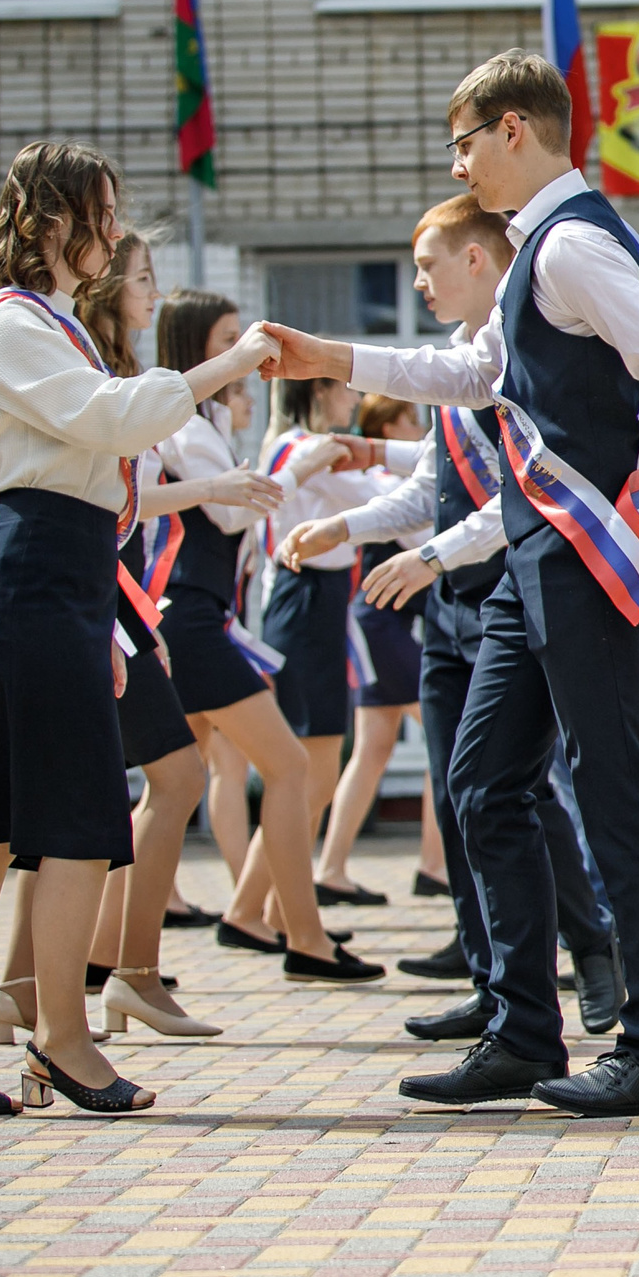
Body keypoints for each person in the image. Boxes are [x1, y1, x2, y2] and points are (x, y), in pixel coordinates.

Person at [258, 48, 639, 1117]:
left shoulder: (568, 247)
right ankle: (519, 1028)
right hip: (529, 551)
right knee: (482, 782)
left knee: (614, 795)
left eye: (463, 144)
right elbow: (474, 376)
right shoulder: (537, 254)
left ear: (514, 129)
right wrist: (332, 355)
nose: (459, 167)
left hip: (576, 547)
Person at [0, 141, 277, 1118]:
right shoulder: (17, 324)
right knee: (69, 828)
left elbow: (96, 460)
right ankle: (58, 1041)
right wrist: (222, 366)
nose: (114, 231)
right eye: (103, 213)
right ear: (54, 220)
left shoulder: (50, 327)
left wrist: (104, 631)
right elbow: (111, 424)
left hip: (51, 585)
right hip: (35, 585)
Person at [282, 194, 626, 1043]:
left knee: (520, 790)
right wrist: (353, 522)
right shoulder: (458, 361)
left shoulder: (519, 354)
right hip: (450, 608)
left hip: (502, 592)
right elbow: (435, 481)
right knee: (461, 788)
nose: (419, 282)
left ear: (477, 260)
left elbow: (509, 503)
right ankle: (494, 982)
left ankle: (592, 949)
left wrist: (429, 554)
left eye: (429, 265)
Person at [149, 289, 379, 984]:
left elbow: (244, 515)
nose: (247, 359)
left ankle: (118, 958)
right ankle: (292, 932)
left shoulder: (206, 428)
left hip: (207, 613)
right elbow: (229, 518)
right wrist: (300, 468)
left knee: (177, 781)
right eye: (229, 340)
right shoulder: (187, 425)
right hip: (193, 613)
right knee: (281, 767)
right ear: (196, 349)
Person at [248, 374, 389, 916]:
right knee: (311, 771)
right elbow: (377, 500)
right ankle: (254, 909)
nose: (355, 399)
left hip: (314, 603)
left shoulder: (296, 447)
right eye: (347, 389)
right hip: (305, 602)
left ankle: (276, 909)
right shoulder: (309, 450)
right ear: (320, 392)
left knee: (314, 771)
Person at [310, 392, 430, 904]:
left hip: (381, 625)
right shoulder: (385, 482)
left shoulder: (389, 479)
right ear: (390, 426)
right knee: (456, 734)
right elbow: (421, 533)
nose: (421, 434)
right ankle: (437, 866)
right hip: (380, 625)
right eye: (412, 423)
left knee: (373, 749)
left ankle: (332, 868)